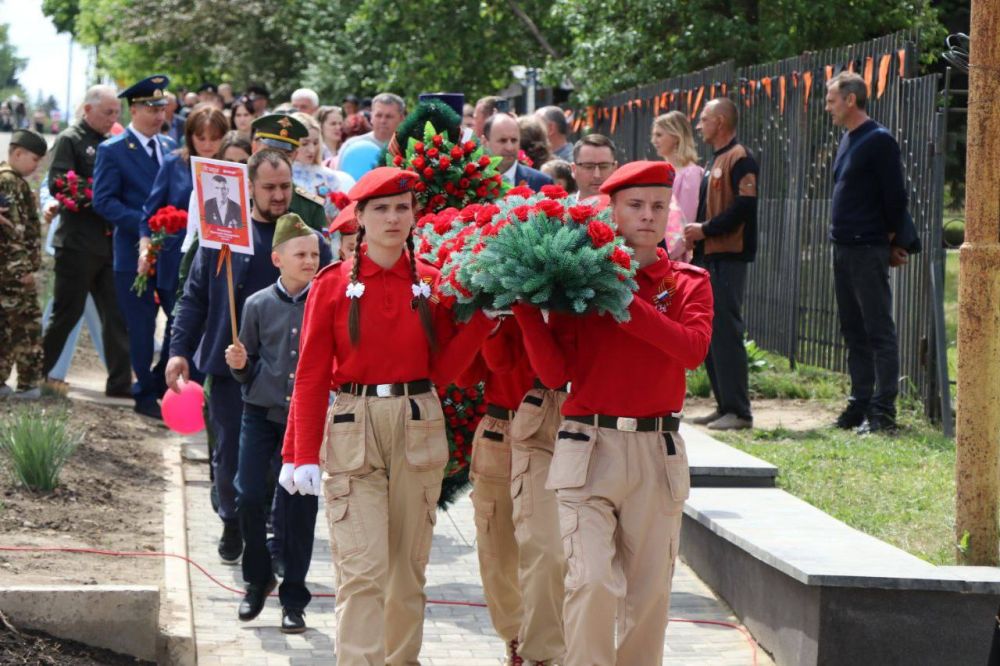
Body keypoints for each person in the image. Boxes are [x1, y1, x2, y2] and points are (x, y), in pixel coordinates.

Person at [284, 167, 496, 665]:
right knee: (363, 569)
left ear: (415, 213)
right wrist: (299, 454)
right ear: (359, 218)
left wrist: (483, 321)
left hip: (417, 421)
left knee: (406, 571)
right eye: (380, 208)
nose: (393, 218)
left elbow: (442, 370)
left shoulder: (431, 282)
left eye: (402, 207)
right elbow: (311, 374)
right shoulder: (331, 285)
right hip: (353, 425)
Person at [514, 160, 713, 666]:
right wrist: (522, 311)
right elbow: (556, 373)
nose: (648, 216)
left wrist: (625, 301)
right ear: (613, 211)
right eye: (636, 205)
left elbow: (691, 350)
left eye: (658, 206)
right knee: (591, 582)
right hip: (587, 445)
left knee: (649, 597)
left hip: (657, 451)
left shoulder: (689, 283)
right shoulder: (578, 286)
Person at [167, 149, 333, 565]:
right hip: (231, 365)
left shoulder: (309, 241)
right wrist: (179, 351)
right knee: (230, 457)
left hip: (291, 374)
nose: (278, 196)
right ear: (249, 188)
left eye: (285, 186)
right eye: (269, 187)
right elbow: (195, 297)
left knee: (285, 459)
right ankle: (232, 518)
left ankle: (275, 539)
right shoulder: (224, 239)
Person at [225, 213, 321, 634]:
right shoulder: (257, 304)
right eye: (301, 253)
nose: (310, 261)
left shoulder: (327, 299)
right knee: (247, 494)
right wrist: (240, 366)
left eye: (315, 254)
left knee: (300, 505)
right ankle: (257, 579)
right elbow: (246, 365)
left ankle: (294, 598)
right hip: (260, 414)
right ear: (277, 258)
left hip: (305, 419)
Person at [460, 316, 569, 666]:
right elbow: (466, 375)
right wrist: (489, 321)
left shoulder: (578, 293)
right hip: (500, 431)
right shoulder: (494, 288)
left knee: (548, 549)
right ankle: (517, 640)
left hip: (559, 434)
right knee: (498, 552)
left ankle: (542, 650)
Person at [825, 71, 910, 434]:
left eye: (831, 99)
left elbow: (895, 196)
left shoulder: (879, 140)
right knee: (853, 330)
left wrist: (892, 241)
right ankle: (859, 403)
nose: (827, 107)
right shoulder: (848, 139)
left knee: (878, 330)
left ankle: (882, 411)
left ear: (851, 100)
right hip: (843, 246)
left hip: (867, 246)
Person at [92, 74, 177, 419]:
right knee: (141, 327)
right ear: (134, 109)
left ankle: (158, 380)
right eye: (151, 108)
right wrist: (146, 226)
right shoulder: (113, 150)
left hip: (172, 253)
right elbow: (104, 201)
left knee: (180, 320)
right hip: (132, 254)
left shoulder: (171, 148)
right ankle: (143, 393)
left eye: (162, 107)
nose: (159, 115)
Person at [42, 84, 132, 398]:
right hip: (77, 244)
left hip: (108, 244)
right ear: (89, 109)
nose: (113, 118)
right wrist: (101, 197)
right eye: (108, 112)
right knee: (66, 313)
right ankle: (39, 375)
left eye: (117, 113)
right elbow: (59, 183)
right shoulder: (70, 139)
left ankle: (121, 384)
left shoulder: (111, 142)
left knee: (116, 314)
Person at [685, 97, 759, 431]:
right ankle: (723, 404)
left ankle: (739, 411)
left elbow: (744, 207)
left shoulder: (740, 158)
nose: (699, 126)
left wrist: (706, 230)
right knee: (713, 332)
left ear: (720, 121)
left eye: (704, 119)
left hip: (728, 256)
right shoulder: (714, 160)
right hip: (709, 255)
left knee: (727, 332)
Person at [142, 106, 229, 318]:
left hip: (219, 260)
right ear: (189, 136)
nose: (208, 145)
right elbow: (150, 212)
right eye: (201, 138)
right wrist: (145, 248)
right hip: (176, 258)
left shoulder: (230, 165)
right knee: (177, 324)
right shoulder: (174, 163)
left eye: (215, 138)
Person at [0, 130, 48, 399]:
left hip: (7, 271)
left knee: (5, 327)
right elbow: (13, 230)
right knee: (26, 326)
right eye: (34, 159)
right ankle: (28, 384)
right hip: (13, 273)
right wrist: (23, 271)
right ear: (17, 154)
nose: (37, 166)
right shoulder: (10, 182)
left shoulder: (11, 180)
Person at [249, 113, 328, 232]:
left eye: (286, 154)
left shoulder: (310, 207)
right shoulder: (233, 197)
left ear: (295, 155)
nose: (277, 161)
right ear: (255, 148)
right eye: (270, 152)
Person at [652, 111, 702, 261]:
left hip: (676, 258)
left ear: (676, 136)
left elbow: (686, 224)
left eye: (659, 135)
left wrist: (667, 255)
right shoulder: (659, 170)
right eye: (654, 135)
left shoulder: (690, 174)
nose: (654, 140)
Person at [290, 112, 355, 221]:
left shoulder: (329, 177)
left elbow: (339, 218)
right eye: (305, 143)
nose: (311, 150)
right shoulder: (281, 176)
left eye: (315, 143)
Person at [484, 113, 553, 192]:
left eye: (514, 140)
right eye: (502, 140)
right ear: (485, 142)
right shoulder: (471, 182)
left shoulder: (541, 183)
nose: (509, 148)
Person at [340, 92, 405, 151]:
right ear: (371, 117)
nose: (383, 121)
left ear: (401, 118)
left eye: (389, 116)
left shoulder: (411, 148)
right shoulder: (352, 146)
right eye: (378, 115)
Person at [572, 133, 618, 201]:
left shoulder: (627, 210)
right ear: (574, 170)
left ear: (615, 169)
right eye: (588, 167)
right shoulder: (562, 209)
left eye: (604, 166)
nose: (597, 175)